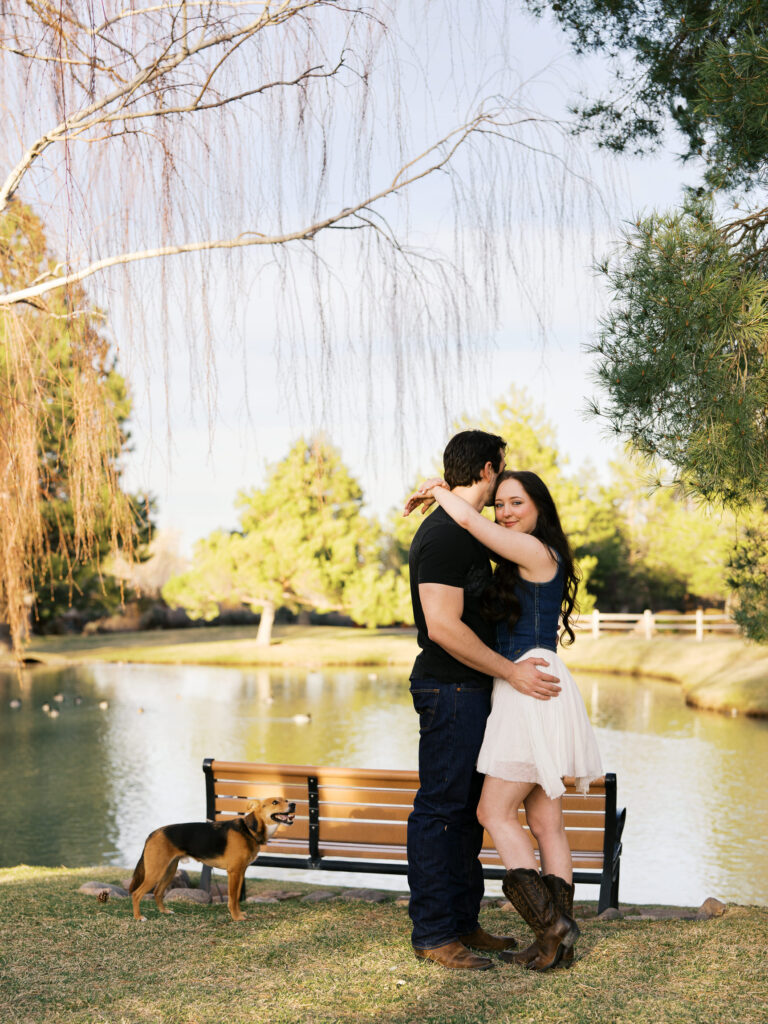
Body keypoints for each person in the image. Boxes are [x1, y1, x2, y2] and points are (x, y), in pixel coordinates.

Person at [405, 469, 603, 971]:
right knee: (545, 822)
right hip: (538, 682)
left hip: (526, 686)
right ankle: (556, 946)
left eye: (517, 503)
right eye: (502, 504)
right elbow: (476, 524)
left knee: (492, 814)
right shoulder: (526, 555)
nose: (507, 512)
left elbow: (470, 522)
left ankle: (551, 927)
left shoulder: (536, 552)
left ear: (541, 509)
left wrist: (440, 491)